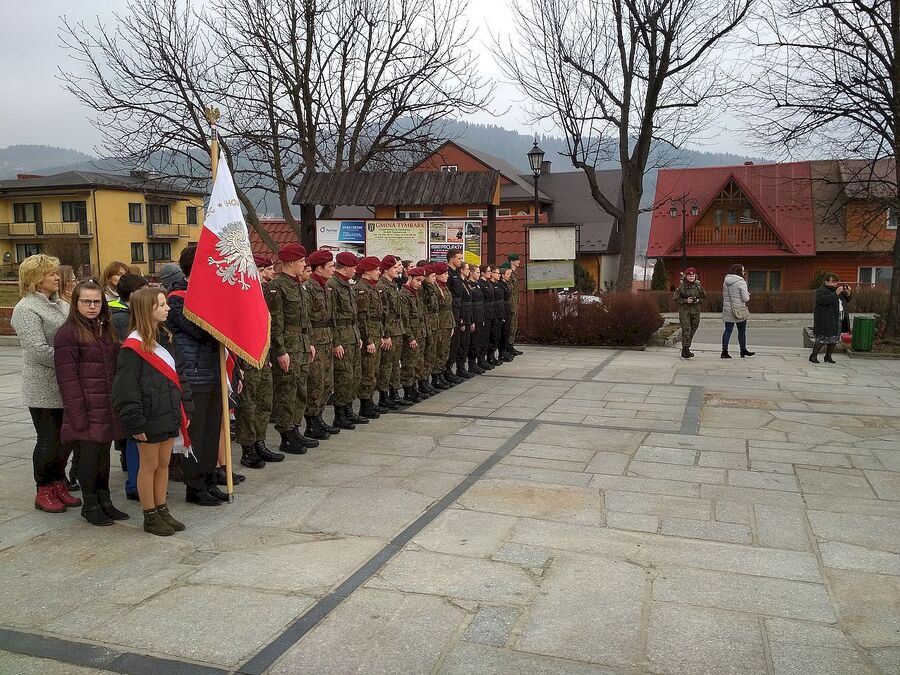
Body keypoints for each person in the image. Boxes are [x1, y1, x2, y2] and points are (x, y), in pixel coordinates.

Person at [113, 287, 190, 536]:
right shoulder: (132, 348)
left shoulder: (166, 338)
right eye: (161, 305)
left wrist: (186, 409)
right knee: (149, 465)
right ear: (148, 310)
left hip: (168, 412)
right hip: (148, 415)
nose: (167, 308)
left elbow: (179, 375)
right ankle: (150, 515)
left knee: (164, 464)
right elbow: (125, 389)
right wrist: (135, 422)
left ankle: (162, 509)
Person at [10, 254, 81, 513]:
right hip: (42, 386)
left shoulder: (60, 304)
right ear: (35, 278)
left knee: (66, 440)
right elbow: (38, 349)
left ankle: (58, 482)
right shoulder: (26, 309)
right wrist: (74, 360)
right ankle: (44, 489)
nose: (56, 277)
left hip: (66, 385)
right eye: (51, 273)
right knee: (49, 440)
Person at [54, 281, 128, 526]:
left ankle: (104, 499)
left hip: (106, 404)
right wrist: (77, 413)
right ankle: (90, 503)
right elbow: (67, 378)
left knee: (103, 456)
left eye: (97, 301)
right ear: (76, 303)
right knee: (88, 456)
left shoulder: (104, 329)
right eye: (86, 301)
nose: (92, 306)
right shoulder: (67, 333)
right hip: (84, 407)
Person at [166, 246, 226, 506]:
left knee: (213, 431)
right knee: (197, 434)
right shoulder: (177, 298)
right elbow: (198, 331)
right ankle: (195, 486)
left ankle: (209, 478)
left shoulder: (209, 294)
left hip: (213, 369)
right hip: (194, 372)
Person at [267, 244, 318, 454]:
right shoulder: (276, 286)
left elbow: (306, 318)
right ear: (290, 263)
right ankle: (286, 434)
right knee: (286, 390)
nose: (305, 264)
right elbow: (275, 322)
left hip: (302, 343)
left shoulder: (298, 285)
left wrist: (310, 342)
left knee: (300, 389)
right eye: (301, 261)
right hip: (288, 344)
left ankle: (295, 428)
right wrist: (280, 351)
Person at [235, 254, 284, 468]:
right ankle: (247, 449)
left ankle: (259, 442)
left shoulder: (264, 291)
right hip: (246, 354)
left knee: (264, 401)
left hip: (262, 353)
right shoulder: (239, 291)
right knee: (248, 403)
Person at [107, 273, 150, 498]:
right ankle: (134, 484)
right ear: (133, 295)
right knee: (136, 436)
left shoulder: (135, 314)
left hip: (143, 382)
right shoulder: (121, 318)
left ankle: (139, 479)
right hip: (132, 382)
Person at [328, 251, 367, 429]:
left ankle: (349, 411)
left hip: (351, 335)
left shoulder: (347, 285)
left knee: (353, 375)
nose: (355, 270)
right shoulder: (333, 285)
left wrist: (357, 336)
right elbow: (332, 317)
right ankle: (340, 414)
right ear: (345, 267)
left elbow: (354, 315)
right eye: (353, 267)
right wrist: (336, 342)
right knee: (343, 377)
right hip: (342, 337)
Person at [305, 249, 340, 439]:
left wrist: (335, 341)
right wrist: (310, 343)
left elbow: (331, 317)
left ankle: (318, 419)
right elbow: (306, 319)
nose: (334, 270)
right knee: (316, 383)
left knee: (327, 382)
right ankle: (311, 422)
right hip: (316, 341)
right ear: (319, 268)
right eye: (331, 266)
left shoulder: (326, 287)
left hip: (327, 338)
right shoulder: (309, 287)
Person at [355, 256, 387, 418]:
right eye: (376, 270)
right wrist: (368, 340)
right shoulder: (362, 289)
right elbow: (362, 318)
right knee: (367, 370)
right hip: (368, 334)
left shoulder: (373, 287)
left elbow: (378, 315)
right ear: (367, 271)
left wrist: (380, 335)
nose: (379, 272)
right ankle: (365, 403)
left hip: (375, 331)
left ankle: (369, 402)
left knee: (374, 370)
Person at [376, 256, 409, 411]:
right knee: (386, 365)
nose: (398, 270)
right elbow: (383, 314)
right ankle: (384, 396)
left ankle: (394, 393)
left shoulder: (393, 284)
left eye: (398, 267)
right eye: (395, 267)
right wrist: (386, 335)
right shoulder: (381, 286)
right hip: (390, 331)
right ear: (386, 269)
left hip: (397, 329)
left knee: (395, 364)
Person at [399, 267, 427, 403]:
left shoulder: (416, 293)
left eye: (421, 281)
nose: (419, 284)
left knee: (417, 362)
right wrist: (410, 337)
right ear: (409, 278)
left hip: (419, 332)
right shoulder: (404, 295)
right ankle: (407, 389)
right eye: (417, 280)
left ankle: (413, 386)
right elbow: (405, 319)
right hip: (411, 336)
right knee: (408, 364)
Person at [811, 274, 851, 364]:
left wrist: (848, 292)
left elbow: (846, 300)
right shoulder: (821, 291)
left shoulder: (837, 291)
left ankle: (828, 356)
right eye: (833, 281)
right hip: (826, 319)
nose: (835, 284)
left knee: (834, 339)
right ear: (826, 282)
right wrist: (836, 293)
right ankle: (813, 356)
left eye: (836, 282)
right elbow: (824, 300)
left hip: (838, 318)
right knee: (822, 338)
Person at [721, 264, 754, 359]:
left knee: (727, 330)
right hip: (739, 309)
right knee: (741, 331)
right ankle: (743, 350)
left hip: (728, 308)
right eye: (743, 270)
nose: (744, 272)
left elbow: (724, 295)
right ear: (739, 271)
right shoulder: (741, 282)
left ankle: (724, 351)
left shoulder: (726, 281)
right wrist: (748, 295)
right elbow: (745, 298)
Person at [673, 267, 706, 359]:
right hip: (685, 311)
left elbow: (704, 297)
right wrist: (686, 300)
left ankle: (686, 346)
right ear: (686, 276)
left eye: (692, 276)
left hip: (695, 311)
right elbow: (675, 298)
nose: (691, 277)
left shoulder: (698, 286)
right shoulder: (682, 287)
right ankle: (685, 349)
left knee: (693, 328)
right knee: (686, 329)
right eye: (689, 276)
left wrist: (698, 300)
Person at [433, 262, 455, 389]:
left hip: (447, 322)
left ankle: (441, 373)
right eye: (444, 274)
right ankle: (436, 376)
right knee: (439, 351)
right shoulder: (436, 288)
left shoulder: (444, 287)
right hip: (440, 323)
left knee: (445, 351)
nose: (447, 276)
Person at [445, 249, 465, 378]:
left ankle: (450, 369)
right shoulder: (448, 273)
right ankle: (446, 370)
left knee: (456, 342)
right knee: (451, 343)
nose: (460, 260)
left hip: (458, 309)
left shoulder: (456, 273)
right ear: (451, 259)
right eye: (458, 258)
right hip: (452, 310)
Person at [466, 265, 486, 375]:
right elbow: (471, 304)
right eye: (477, 273)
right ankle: (471, 364)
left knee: (478, 341)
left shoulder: (477, 285)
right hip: (473, 315)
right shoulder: (469, 286)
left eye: (479, 273)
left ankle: (477, 362)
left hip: (479, 315)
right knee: (473, 342)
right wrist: (472, 320)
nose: (478, 275)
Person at [478, 265, 496, 370]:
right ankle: (481, 359)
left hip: (490, 312)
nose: (490, 273)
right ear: (483, 273)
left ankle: (488, 357)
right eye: (488, 271)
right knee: (483, 338)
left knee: (490, 336)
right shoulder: (480, 284)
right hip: (484, 312)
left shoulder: (488, 283)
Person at [506, 254, 523, 356]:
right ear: (512, 261)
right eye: (517, 260)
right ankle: (508, 346)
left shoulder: (514, 273)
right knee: (510, 326)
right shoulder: (509, 274)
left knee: (514, 326)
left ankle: (511, 345)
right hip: (510, 304)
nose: (519, 262)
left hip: (514, 303)